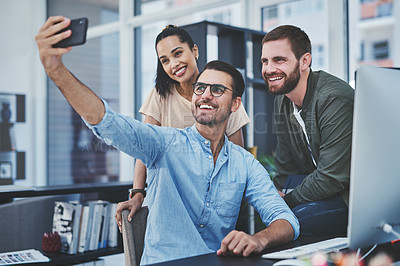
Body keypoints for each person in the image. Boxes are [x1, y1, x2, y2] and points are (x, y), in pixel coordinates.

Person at [35, 16, 299, 265]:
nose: (205, 95)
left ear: (234, 104)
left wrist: (258, 238)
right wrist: (57, 71)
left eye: (217, 90)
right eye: (200, 88)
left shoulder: (244, 164)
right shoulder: (166, 143)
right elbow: (110, 123)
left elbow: (286, 219)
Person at [117, 25, 250, 223]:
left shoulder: (222, 91)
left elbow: (237, 153)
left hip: (212, 201)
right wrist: (138, 192)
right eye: (165, 60)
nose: (174, 64)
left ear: (194, 51)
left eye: (178, 53)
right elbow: (144, 148)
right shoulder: (160, 95)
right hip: (169, 200)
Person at [261, 25, 354, 236]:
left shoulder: (333, 99)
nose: (268, 69)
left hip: (352, 197)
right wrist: (277, 203)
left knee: (293, 225)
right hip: (324, 193)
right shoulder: (282, 101)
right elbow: (286, 169)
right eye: (265, 61)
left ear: (305, 61)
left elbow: (331, 177)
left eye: (279, 60)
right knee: (277, 222)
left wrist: (288, 201)